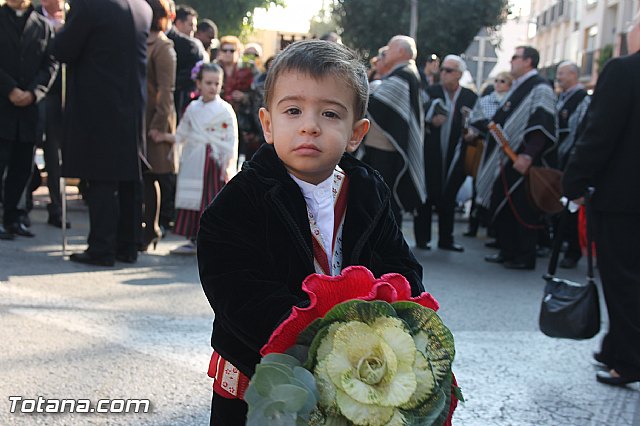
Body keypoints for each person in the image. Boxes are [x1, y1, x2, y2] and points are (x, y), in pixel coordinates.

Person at [197, 39, 424, 424]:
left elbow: (401, 270)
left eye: (331, 115)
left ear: (356, 132)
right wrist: (315, 342)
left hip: (352, 379)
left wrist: (391, 327)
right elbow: (236, 288)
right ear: (268, 124)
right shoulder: (241, 199)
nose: (309, 126)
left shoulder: (369, 191)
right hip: (260, 374)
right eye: (293, 110)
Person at [563, 12, 640, 387]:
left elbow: (599, 133)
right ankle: (615, 347)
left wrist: (574, 181)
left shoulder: (624, 70)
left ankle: (627, 360)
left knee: (624, 279)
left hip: (624, 198)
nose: (627, 33)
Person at [53, 0, 152, 266]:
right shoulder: (143, 6)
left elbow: (63, 50)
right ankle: (128, 245)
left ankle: (101, 247)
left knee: (101, 178)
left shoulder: (92, 5)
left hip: (99, 105)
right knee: (130, 175)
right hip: (132, 105)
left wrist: (60, 27)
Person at [476, 46, 557, 270]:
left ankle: (524, 256)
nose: (511, 62)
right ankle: (507, 250)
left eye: (515, 57)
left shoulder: (540, 87)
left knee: (522, 208)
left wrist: (528, 155)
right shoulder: (519, 86)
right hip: (507, 157)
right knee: (504, 205)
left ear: (528, 61)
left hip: (522, 160)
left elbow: (542, 124)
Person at [0, 0, 57, 240]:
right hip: (3, 103)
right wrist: (10, 89)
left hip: (30, 109)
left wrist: (35, 92)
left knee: (22, 168)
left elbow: (50, 64)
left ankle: (14, 216)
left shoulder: (43, 25)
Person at [169, 62, 238, 255]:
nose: (213, 87)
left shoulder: (225, 109)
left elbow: (231, 139)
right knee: (195, 200)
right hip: (195, 158)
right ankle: (193, 238)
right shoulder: (193, 108)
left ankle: (211, 239)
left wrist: (228, 162)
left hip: (213, 163)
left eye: (217, 83)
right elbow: (182, 133)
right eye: (208, 82)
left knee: (210, 200)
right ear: (198, 83)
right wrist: (166, 138)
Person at [414, 55, 477, 252]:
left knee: (448, 195)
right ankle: (422, 240)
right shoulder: (431, 91)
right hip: (430, 152)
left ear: (459, 74)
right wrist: (430, 121)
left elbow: (479, 122)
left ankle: (446, 239)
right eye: (442, 70)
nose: (443, 73)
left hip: (456, 153)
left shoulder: (470, 97)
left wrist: (473, 132)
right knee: (426, 194)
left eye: (448, 70)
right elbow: (418, 114)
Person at [362, 35, 426, 225]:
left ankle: (388, 242)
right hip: (382, 147)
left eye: (389, 48)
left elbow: (377, 102)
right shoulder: (403, 72)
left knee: (385, 198)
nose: (386, 51)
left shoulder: (405, 73)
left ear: (401, 52)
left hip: (387, 150)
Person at [142, 0, 177, 252]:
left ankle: (151, 229)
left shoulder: (164, 47)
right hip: (138, 117)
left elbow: (167, 90)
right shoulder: (140, 39)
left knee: (150, 175)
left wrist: (157, 125)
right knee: (141, 176)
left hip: (155, 119)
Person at [466, 71, 513, 239]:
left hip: (503, 152)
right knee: (478, 185)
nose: (499, 84)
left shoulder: (512, 103)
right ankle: (474, 224)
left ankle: (493, 229)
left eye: (503, 81)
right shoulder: (485, 100)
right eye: (497, 81)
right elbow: (474, 120)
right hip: (485, 148)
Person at [554, 60, 590, 269]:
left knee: (572, 207)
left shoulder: (582, 100)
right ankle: (561, 246)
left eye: (562, 73)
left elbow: (580, 132)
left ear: (574, 75)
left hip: (572, 159)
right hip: (560, 158)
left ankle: (573, 251)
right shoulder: (562, 98)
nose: (559, 77)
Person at [216, 36, 262, 162]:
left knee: (242, 155)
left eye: (232, 50)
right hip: (218, 117)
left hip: (243, 119)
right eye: (225, 50)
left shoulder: (248, 68)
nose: (228, 53)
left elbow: (259, 91)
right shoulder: (214, 68)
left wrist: (245, 97)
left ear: (238, 52)